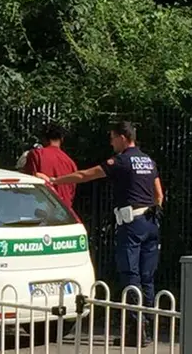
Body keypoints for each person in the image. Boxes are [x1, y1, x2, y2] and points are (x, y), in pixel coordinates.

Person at [35, 121, 164, 347]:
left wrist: (54, 180)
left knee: (130, 275)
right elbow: (159, 195)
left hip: (131, 223)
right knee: (147, 278)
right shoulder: (148, 160)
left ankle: (136, 330)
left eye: (113, 137)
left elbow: (86, 175)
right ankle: (148, 327)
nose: (111, 142)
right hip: (151, 223)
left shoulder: (121, 160)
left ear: (123, 138)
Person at [21, 123, 79, 208]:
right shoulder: (71, 163)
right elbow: (71, 192)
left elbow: (28, 182)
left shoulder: (36, 154)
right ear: (62, 139)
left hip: (42, 208)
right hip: (65, 211)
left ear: (44, 138)